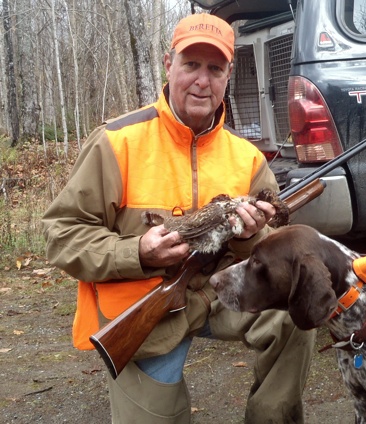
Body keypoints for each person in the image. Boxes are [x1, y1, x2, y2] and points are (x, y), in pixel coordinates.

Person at [42, 13, 315, 424]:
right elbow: (62, 234)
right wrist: (137, 252)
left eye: (214, 69)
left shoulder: (247, 158)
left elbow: (270, 252)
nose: (202, 81)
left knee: (298, 306)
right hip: (146, 308)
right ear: (168, 65)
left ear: (227, 76)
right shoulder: (117, 143)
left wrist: (249, 237)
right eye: (191, 65)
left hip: (219, 294)